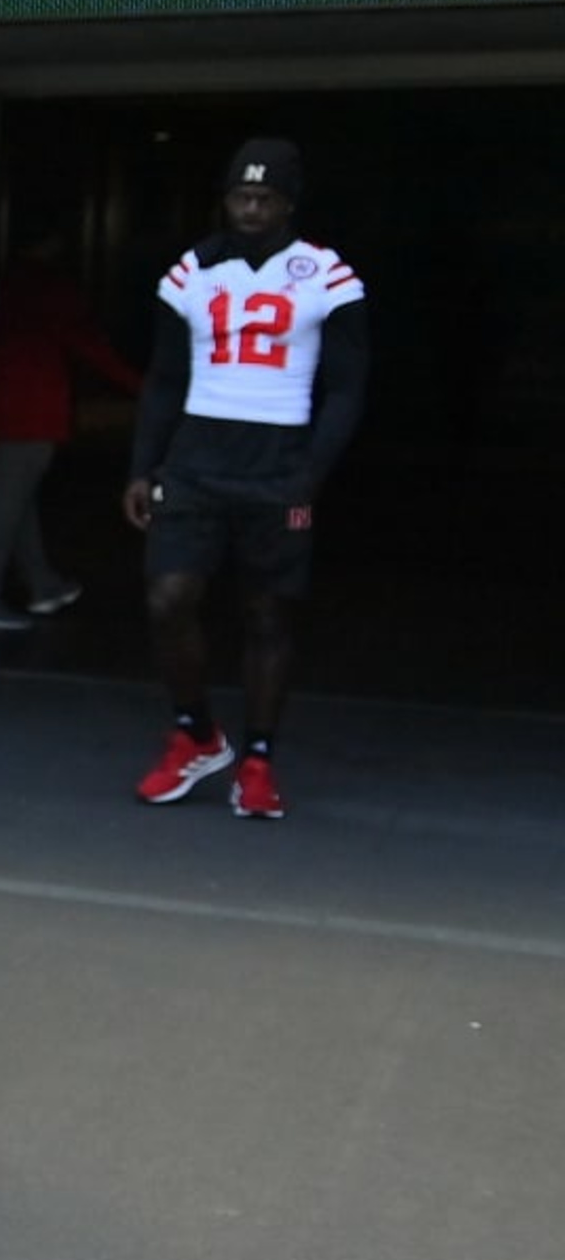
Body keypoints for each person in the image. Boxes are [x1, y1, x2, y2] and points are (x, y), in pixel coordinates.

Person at [122, 138, 366, 819]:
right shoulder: (191, 272)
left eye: (264, 197)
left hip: (278, 457)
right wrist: (143, 466)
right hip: (198, 456)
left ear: (288, 202)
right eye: (240, 195)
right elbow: (165, 378)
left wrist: (311, 472)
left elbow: (347, 387)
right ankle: (196, 733)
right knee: (168, 596)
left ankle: (258, 759)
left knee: (266, 611)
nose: (251, 208)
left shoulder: (326, 274)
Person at [0, 226, 139, 629]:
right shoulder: (49, 287)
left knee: (16, 501)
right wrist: (142, 386)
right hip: (34, 408)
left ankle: (42, 584)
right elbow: (87, 343)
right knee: (7, 506)